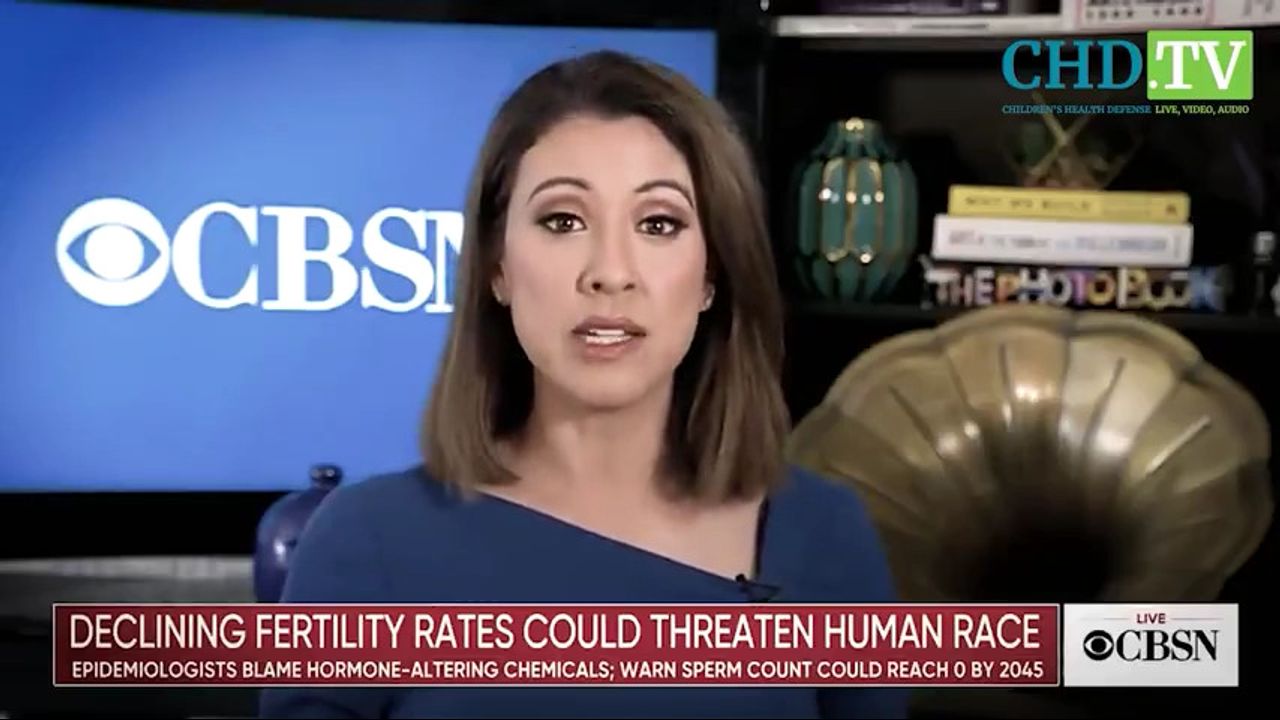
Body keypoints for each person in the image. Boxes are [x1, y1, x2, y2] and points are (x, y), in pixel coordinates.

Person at [259, 50, 907, 719]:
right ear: (497, 266)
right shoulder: (366, 542)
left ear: (711, 274)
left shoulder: (824, 534)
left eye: (658, 224)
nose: (610, 273)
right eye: (563, 221)